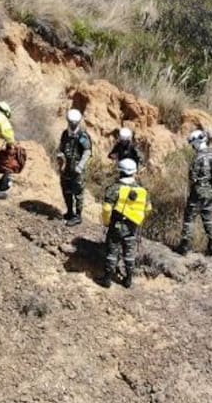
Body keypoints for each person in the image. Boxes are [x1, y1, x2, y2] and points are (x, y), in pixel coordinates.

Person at [175, 128, 212, 257]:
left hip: (197, 193)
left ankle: (184, 247)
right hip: (211, 194)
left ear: (196, 143)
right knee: (209, 220)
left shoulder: (197, 158)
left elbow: (192, 177)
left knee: (189, 219)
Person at [100, 157, 151, 288]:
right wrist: (138, 219)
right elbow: (148, 208)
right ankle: (128, 279)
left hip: (116, 225)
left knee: (112, 251)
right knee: (129, 252)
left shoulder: (114, 188)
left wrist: (106, 221)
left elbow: (106, 208)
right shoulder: (143, 191)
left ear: (119, 171)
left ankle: (107, 279)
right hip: (133, 227)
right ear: (134, 172)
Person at [56, 108, 93, 225]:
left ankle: (78, 216)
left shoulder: (82, 136)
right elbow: (61, 147)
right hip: (66, 168)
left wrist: (80, 166)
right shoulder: (65, 134)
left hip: (77, 170)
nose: (72, 125)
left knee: (78, 192)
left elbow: (87, 152)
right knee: (66, 190)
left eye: (74, 123)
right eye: (71, 122)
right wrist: (60, 155)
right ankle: (70, 212)